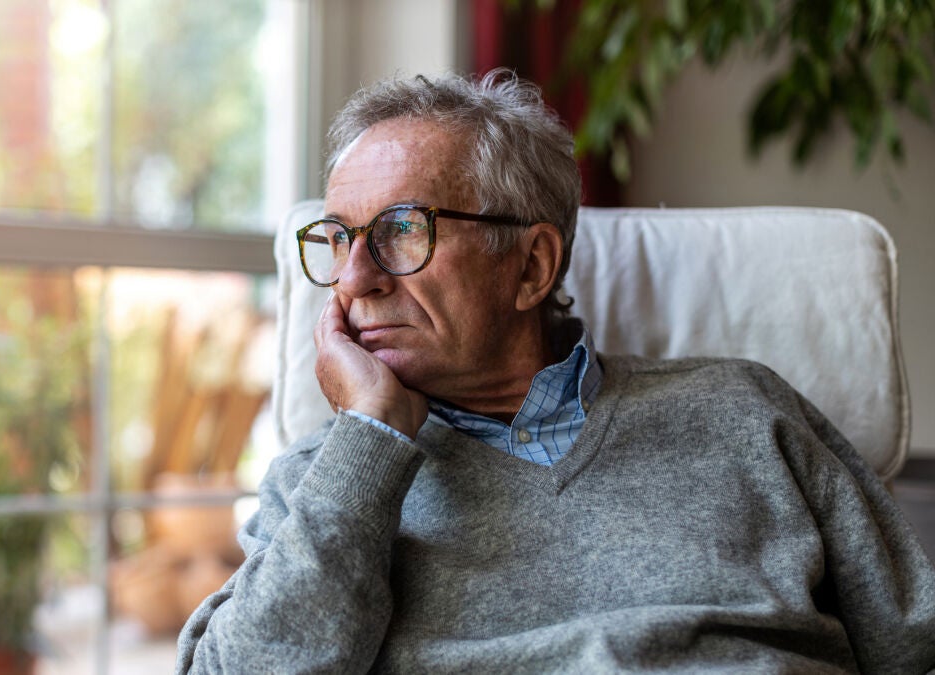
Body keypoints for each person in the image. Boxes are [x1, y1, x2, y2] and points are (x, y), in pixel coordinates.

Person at [175, 70, 935, 673]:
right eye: (339, 239)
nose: (353, 279)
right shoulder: (330, 481)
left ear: (532, 265)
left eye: (402, 229)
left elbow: (916, 644)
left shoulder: (746, 410)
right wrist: (369, 438)